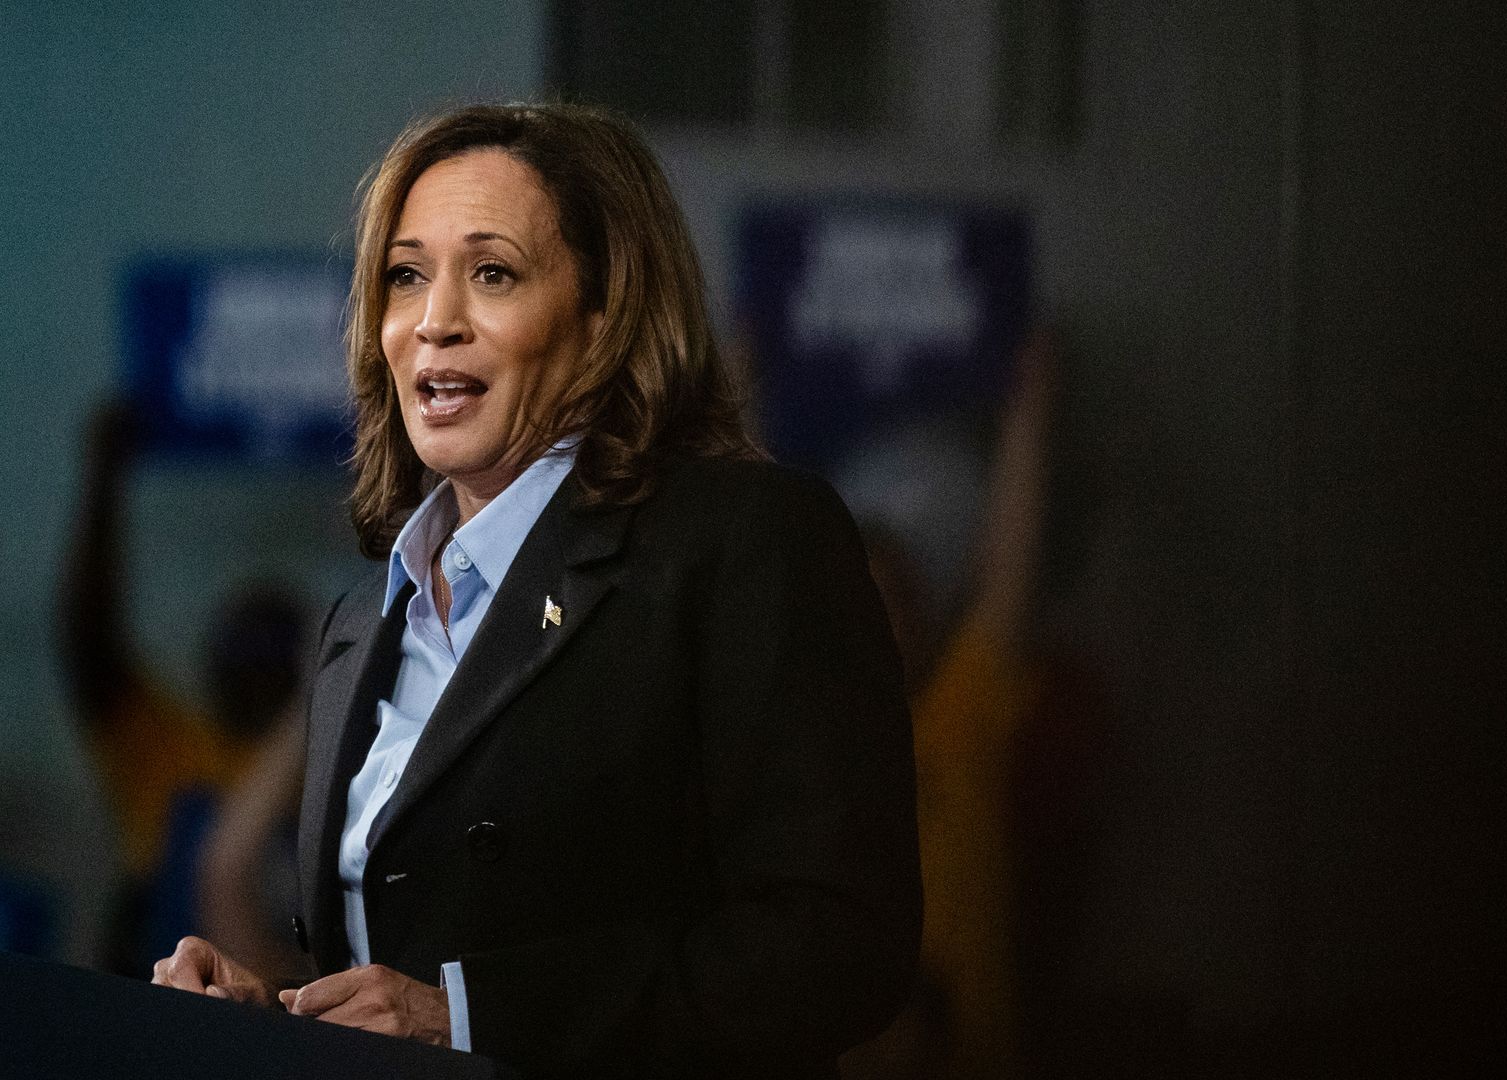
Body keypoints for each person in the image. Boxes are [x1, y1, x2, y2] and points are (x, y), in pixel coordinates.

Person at [152, 103, 922, 1080]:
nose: (435, 321)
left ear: (604, 317)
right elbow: (393, 986)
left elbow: (840, 944)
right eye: (405, 276)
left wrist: (469, 1016)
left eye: (492, 273)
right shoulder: (357, 627)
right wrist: (280, 1012)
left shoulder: (742, 542)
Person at [60, 399, 311, 980]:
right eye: (242, 652)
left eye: (273, 655)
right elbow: (88, 642)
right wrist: (102, 482)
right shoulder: (169, 749)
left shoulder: (339, 768)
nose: (254, 672)